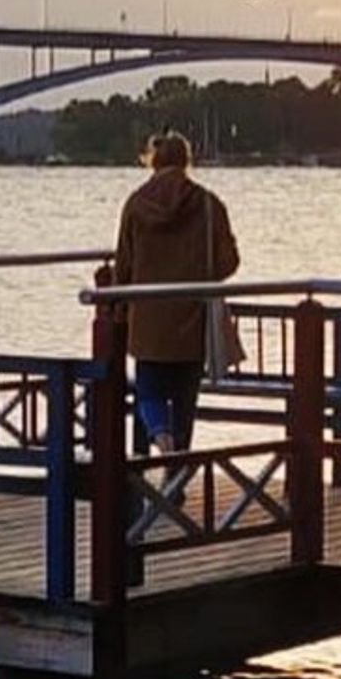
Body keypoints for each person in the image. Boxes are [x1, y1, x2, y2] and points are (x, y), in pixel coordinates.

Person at [112, 130, 239, 454]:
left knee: (149, 391)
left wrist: (116, 308)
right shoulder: (209, 204)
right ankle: (176, 475)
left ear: (154, 160)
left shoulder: (136, 203)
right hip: (191, 320)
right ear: (187, 160)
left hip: (147, 321)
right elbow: (228, 262)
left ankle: (157, 437)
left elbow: (123, 262)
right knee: (185, 402)